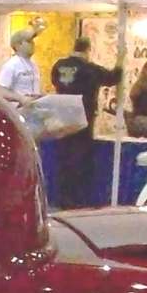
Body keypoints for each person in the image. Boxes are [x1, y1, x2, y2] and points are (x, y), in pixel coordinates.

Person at [48, 35, 121, 208]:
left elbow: (54, 82)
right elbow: (112, 78)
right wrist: (121, 61)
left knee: (63, 159)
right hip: (82, 117)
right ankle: (76, 201)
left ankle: (62, 198)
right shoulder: (89, 69)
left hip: (62, 117)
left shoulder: (58, 65)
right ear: (88, 50)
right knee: (80, 159)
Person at [0, 30, 40, 104]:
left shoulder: (33, 64)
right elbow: (0, 91)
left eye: (32, 41)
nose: (32, 44)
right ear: (18, 45)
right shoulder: (11, 65)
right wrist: (21, 98)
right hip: (18, 111)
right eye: (29, 41)